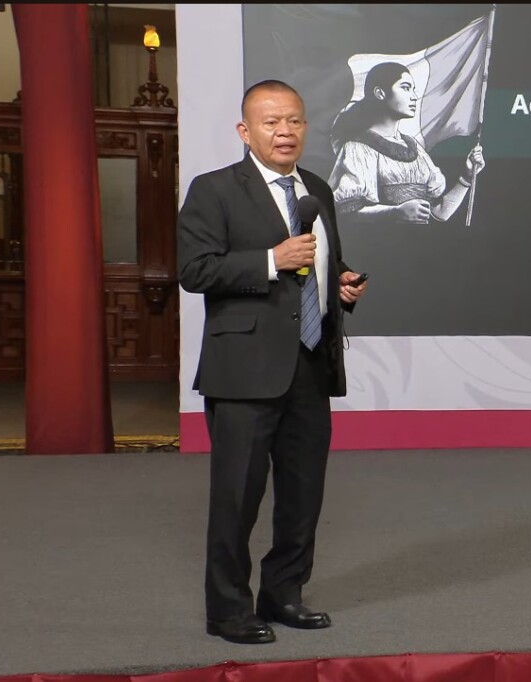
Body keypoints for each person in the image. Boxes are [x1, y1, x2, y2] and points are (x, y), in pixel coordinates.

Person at [178, 79, 368, 644]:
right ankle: (228, 610)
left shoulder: (317, 189)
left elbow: (324, 262)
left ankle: (284, 593)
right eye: (271, 122)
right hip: (243, 371)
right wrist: (270, 260)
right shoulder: (214, 190)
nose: (285, 131)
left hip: (310, 364)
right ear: (246, 131)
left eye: (294, 121)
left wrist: (341, 284)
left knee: (303, 495)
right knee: (237, 497)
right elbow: (194, 271)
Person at [328, 61, 486, 224]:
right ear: (380, 93)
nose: (414, 96)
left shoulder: (415, 149)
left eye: (413, 89)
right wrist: (395, 212)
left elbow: (440, 213)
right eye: (405, 88)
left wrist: (467, 177)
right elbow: (346, 213)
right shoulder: (358, 148)